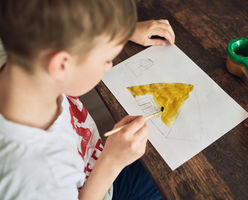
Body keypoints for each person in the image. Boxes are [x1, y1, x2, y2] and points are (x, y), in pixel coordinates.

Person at [0, 0, 175, 199]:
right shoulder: (40, 180)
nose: (109, 66)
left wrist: (116, 31)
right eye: (107, 59)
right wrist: (111, 162)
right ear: (61, 65)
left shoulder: (19, 49)